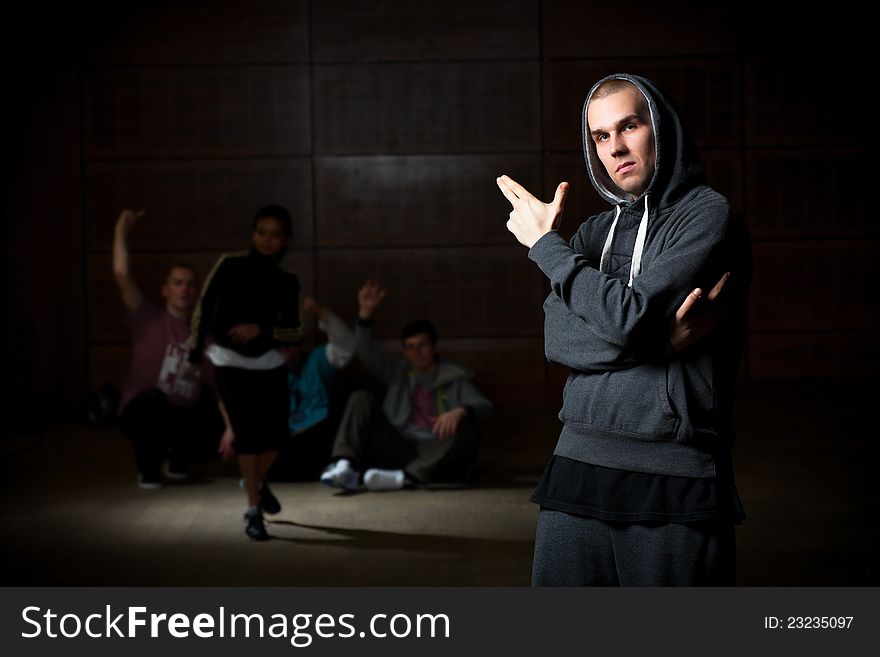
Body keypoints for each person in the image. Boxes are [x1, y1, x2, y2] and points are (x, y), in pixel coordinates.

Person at [497, 73, 752, 586]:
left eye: (628, 126)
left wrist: (547, 248)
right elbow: (557, 340)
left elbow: (627, 317)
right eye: (600, 136)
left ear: (660, 128)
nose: (615, 147)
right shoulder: (593, 232)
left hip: (674, 467)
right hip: (578, 457)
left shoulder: (707, 217)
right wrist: (659, 340)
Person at [187, 204, 304, 541]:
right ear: (253, 234)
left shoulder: (287, 282)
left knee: (278, 437)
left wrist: (261, 330)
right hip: (228, 360)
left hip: (268, 362)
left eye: (275, 234)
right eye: (261, 232)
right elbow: (205, 305)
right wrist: (195, 352)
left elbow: (295, 330)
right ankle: (253, 511)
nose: (267, 240)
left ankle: (254, 480)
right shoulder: (229, 265)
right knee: (249, 439)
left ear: (285, 241)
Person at [320, 280, 493, 492]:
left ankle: (405, 478)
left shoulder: (454, 376)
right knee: (360, 398)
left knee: (467, 428)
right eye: (410, 347)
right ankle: (344, 465)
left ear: (433, 347)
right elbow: (366, 352)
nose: (417, 352)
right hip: (399, 442)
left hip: (435, 447)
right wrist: (365, 313)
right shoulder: (398, 373)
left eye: (422, 345)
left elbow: (485, 406)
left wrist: (461, 410)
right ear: (405, 352)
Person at [113, 209, 231, 489]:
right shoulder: (147, 318)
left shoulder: (204, 339)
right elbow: (120, 273)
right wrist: (121, 229)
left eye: (190, 284)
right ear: (165, 289)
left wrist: (231, 429)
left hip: (180, 419)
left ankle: (179, 458)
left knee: (212, 405)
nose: (184, 289)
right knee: (154, 399)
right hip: (142, 412)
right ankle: (148, 468)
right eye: (178, 283)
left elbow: (219, 393)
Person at [269, 296, 355, 481]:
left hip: (319, 433)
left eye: (290, 341)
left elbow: (346, 345)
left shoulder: (317, 359)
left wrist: (320, 312)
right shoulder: (270, 371)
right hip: (289, 439)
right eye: (280, 343)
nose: (285, 348)